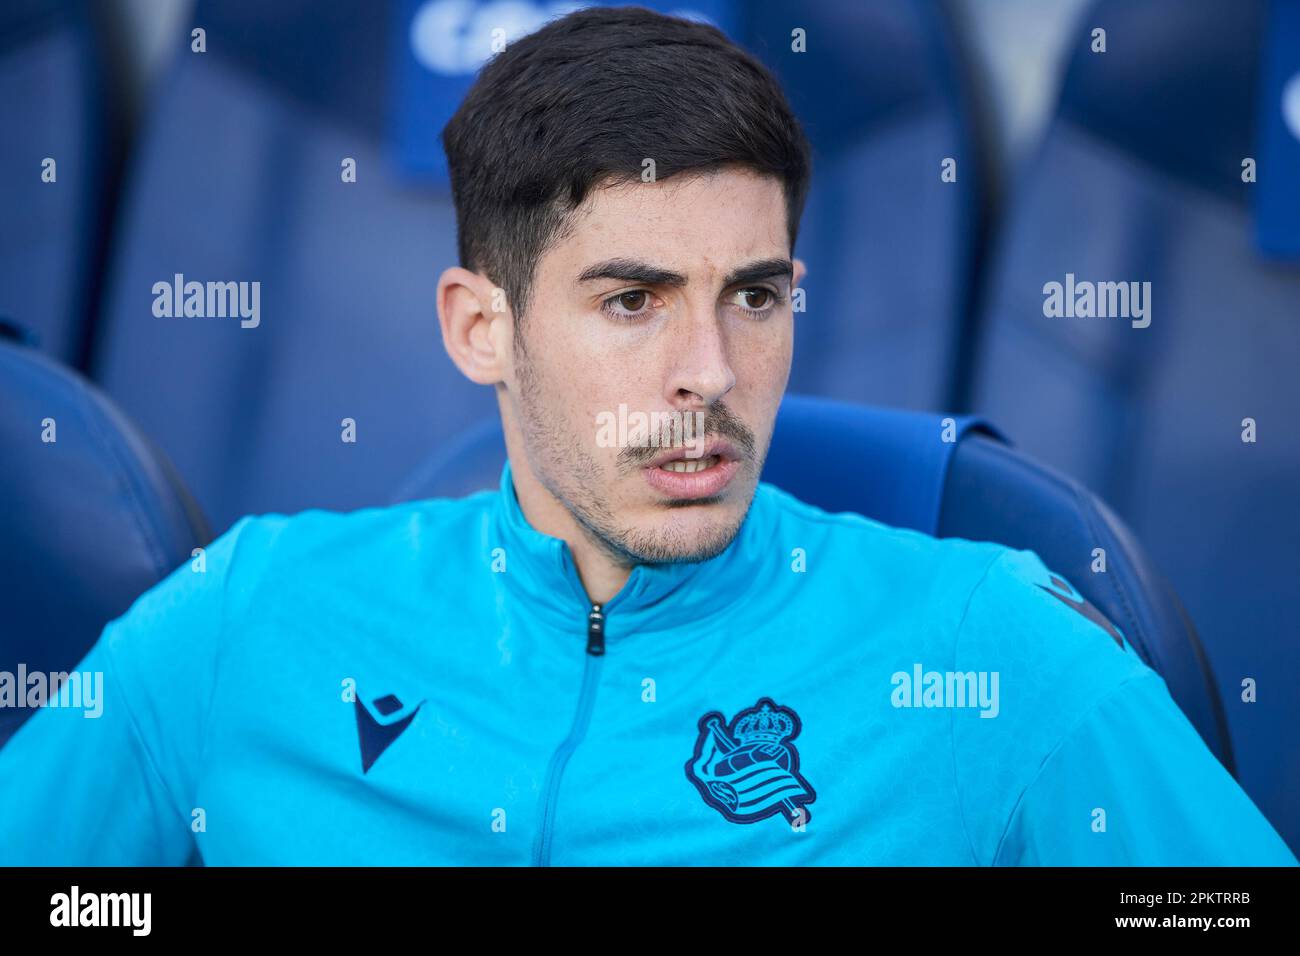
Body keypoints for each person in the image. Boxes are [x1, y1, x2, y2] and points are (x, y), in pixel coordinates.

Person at [0, 6, 1294, 866]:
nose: (711, 375)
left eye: (757, 295)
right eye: (632, 300)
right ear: (479, 328)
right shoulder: (250, 618)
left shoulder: (988, 640)